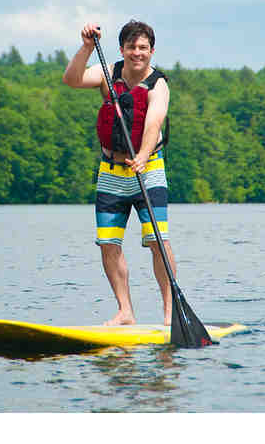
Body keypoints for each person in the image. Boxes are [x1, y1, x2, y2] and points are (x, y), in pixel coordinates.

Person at [62, 20, 176, 326]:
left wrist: (141, 155)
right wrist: (86, 47)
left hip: (148, 169)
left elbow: (153, 124)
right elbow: (71, 79)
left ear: (152, 51)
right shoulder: (107, 73)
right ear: (122, 49)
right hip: (111, 171)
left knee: (157, 241)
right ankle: (125, 311)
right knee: (109, 244)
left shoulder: (159, 85)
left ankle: (169, 311)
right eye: (131, 47)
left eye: (143, 48)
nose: (137, 53)